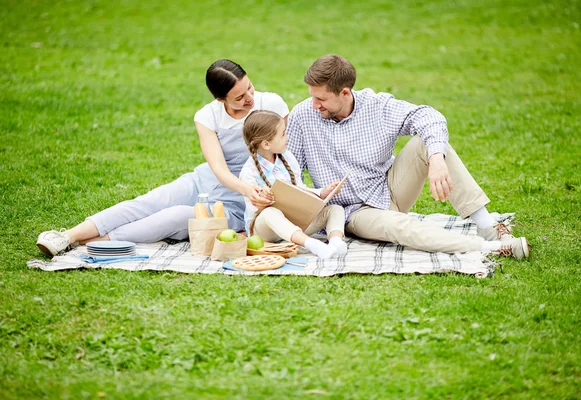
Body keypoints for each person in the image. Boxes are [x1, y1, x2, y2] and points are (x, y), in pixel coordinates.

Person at [286, 54, 530, 259]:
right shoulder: (302, 115)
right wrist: (311, 197)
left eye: (321, 99)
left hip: (388, 190)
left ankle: (487, 226)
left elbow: (429, 116)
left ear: (345, 93)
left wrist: (436, 159)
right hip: (351, 213)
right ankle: (490, 248)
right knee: (399, 227)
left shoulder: (377, 106)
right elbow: (290, 171)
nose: (314, 105)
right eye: (312, 96)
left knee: (430, 142)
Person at [36, 59, 288, 256]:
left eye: (250, 88)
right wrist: (246, 188)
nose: (250, 99)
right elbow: (219, 169)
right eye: (240, 97)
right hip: (207, 181)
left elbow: (285, 154)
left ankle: (93, 242)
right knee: (149, 201)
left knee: (176, 215)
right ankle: (67, 236)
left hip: (239, 201)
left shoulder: (272, 104)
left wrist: (254, 193)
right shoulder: (207, 116)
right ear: (220, 99)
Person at [238, 110, 347, 259]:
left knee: (335, 209)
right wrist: (264, 201)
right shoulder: (249, 172)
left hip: (293, 223)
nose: (287, 137)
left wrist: (322, 192)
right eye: (282, 134)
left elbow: (299, 188)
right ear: (266, 144)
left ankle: (335, 243)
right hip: (266, 230)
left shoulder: (287, 157)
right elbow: (253, 210)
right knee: (271, 213)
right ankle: (312, 245)